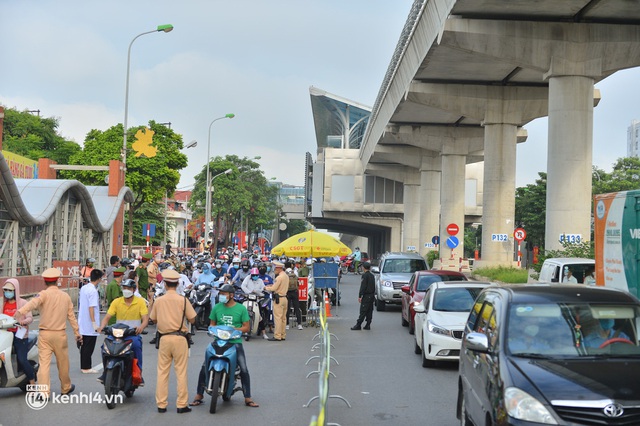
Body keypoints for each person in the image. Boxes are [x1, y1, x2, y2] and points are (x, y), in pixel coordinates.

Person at [15, 268, 81, 398]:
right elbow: (71, 317)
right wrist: (77, 333)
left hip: (45, 334)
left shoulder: (43, 295)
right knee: (63, 363)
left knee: (44, 364)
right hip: (60, 334)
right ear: (57, 281)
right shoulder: (65, 296)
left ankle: (44, 393)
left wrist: (20, 312)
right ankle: (65, 388)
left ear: (45, 282)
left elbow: (32, 303)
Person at [189, 284, 259, 408]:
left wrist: (235, 329)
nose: (221, 296)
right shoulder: (216, 308)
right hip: (218, 341)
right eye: (220, 294)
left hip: (234, 343)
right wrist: (212, 330)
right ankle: (199, 395)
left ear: (231, 295)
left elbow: (246, 327)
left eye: (223, 294)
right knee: (204, 366)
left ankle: (247, 397)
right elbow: (212, 325)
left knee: (243, 369)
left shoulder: (241, 309)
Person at [149, 269, 196, 414]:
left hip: (164, 339)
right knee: (181, 372)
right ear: (177, 284)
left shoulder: (159, 300)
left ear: (164, 284)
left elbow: (153, 319)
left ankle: (161, 404)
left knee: (162, 372)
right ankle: (182, 404)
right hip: (180, 338)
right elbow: (192, 319)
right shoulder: (183, 300)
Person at [97, 278, 148, 384]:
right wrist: (101, 326)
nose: (126, 290)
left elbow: (145, 319)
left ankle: (138, 373)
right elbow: (107, 317)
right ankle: (105, 373)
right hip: (118, 333)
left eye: (128, 288)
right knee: (104, 347)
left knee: (137, 346)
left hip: (132, 334)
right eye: (124, 288)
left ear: (134, 290)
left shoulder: (140, 302)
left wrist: (141, 327)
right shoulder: (117, 302)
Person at [1, 278, 35, 386]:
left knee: (22, 359)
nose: (8, 292)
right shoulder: (3, 304)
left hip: (19, 335)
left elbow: (30, 318)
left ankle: (32, 384)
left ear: (16, 290)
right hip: (5, 335)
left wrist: (23, 322)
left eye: (10, 290)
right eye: (6, 290)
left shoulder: (23, 303)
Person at [78, 269, 103, 373]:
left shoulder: (84, 288)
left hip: (82, 320)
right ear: (99, 279)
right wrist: (94, 323)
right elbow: (91, 307)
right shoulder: (93, 291)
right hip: (89, 322)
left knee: (84, 345)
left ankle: (84, 365)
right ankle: (86, 367)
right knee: (89, 345)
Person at [264, 261, 288, 341]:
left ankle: (277, 336)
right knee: (283, 318)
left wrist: (266, 288)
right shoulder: (285, 276)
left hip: (279, 299)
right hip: (284, 298)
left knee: (278, 318)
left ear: (279, 268)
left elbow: (274, 289)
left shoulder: (279, 277)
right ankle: (283, 335)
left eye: (275, 268)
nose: (274, 270)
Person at [351, 262, 375, 330]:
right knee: (370, 310)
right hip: (371, 295)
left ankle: (358, 324)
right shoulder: (372, 276)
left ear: (364, 268)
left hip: (366, 296)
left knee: (363, 310)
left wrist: (360, 295)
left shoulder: (365, 276)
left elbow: (363, 286)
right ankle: (368, 324)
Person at [285, 263, 303, 330]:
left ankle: (287, 324)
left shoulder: (285, 273)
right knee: (297, 308)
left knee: (287, 308)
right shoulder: (295, 272)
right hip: (295, 292)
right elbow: (298, 282)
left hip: (287, 292)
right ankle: (299, 324)